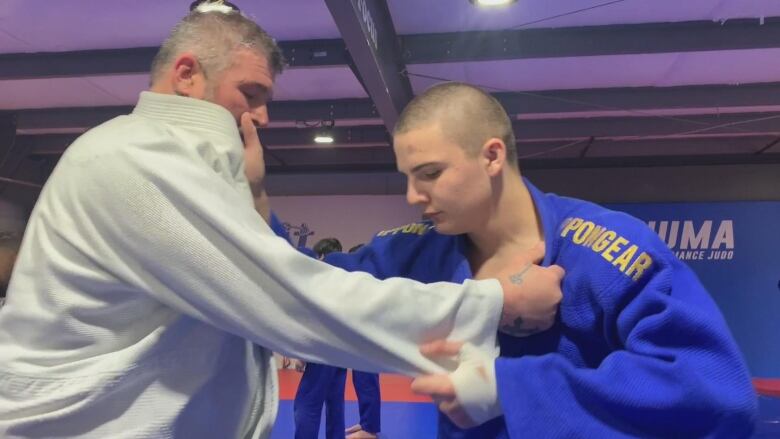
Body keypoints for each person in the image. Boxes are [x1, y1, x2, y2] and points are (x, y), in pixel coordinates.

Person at [0, 7, 564, 439]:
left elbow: (257, 277)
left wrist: (254, 191)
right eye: (251, 93)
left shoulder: (155, 161)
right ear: (187, 75)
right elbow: (290, 297)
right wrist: (493, 304)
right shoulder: (133, 159)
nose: (264, 115)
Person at [321, 82, 758, 438]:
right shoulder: (418, 250)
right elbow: (308, 286)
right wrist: (254, 198)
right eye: (408, 178)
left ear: (492, 156)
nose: (412, 196)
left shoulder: (607, 250)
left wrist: (510, 389)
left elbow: (716, 389)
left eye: (430, 174)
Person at [293, 238, 349, 439]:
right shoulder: (344, 281)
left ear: (323, 257)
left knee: (307, 403)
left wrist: (302, 352)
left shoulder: (321, 283)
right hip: (341, 350)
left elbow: (313, 320)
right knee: (335, 402)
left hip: (322, 349)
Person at [344, 243, 382, 439]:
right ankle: (367, 422)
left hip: (368, 336)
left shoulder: (370, 281)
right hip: (361, 335)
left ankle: (370, 429)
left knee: (366, 381)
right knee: (361, 380)